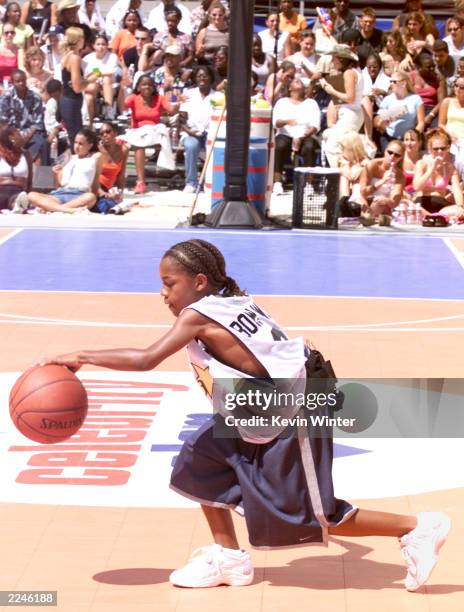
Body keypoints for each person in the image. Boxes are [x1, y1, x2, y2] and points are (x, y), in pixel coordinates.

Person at [42, 237, 451, 591]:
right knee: (197, 464)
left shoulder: (199, 315)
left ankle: (416, 527)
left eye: (169, 284)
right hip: (257, 408)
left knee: (317, 513)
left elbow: (147, 358)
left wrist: (80, 355)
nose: (163, 294)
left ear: (198, 282)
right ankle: (229, 558)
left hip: (299, 408)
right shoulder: (230, 298)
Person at [17, 126, 102, 214]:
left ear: (90, 145)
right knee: (31, 195)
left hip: (79, 195)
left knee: (91, 197)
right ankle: (68, 210)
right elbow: (58, 185)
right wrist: (55, 174)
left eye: (81, 144)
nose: (76, 146)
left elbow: (95, 179)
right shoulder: (68, 158)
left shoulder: (95, 157)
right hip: (60, 193)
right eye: (75, 142)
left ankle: (51, 209)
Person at [120, 74, 177, 194]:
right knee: (136, 145)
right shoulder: (134, 97)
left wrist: (178, 102)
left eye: (150, 84)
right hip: (138, 132)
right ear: (139, 87)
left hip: (153, 132)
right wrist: (121, 88)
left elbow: (171, 111)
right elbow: (122, 106)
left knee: (140, 141)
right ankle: (139, 182)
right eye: (144, 84)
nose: (147, 87)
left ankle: (140, 181)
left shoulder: (159, 98)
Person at [272, 77, 321, 195]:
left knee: (309, 147)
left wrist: (301, 137)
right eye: (295, 81)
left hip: (305, 135)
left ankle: (308, 184)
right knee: (279, 145)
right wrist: (287, 121)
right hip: (286, 134)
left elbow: (315, 126)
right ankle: (277, 183)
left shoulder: (311, 103)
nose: (299, 81)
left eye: (300, 81)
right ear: (290, 88)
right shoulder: (282, 102)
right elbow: (276, 123)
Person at [320, 44, 365, 168]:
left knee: (333, 145)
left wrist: (331, 90)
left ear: (341, 59)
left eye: (334, 58)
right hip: (353, 113)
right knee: (345, 145)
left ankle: (340, 175)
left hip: (350, 114)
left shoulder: (349, 73)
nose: (332, 61)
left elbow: (350, 98)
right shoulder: (355, 72)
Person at [413, 127, 464, 222]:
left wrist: (460, 207)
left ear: (448, 148)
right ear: (430, 149)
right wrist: (431, 170)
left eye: (442, 148)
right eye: (436, 149)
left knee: (460, 210)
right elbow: (417, 187)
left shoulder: (450, 168)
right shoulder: (421, 163)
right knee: (410, 206)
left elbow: (457, 190)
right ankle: (434, 217)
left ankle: (433, 217)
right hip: (421, 205)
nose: (439, 151)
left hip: (441, 207)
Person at [59, 27, 99, 146]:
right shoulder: (75, 58)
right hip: (72, 101)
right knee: (76, 137)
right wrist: (91, 79)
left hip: (68, 100)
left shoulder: (68, 55)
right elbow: (77, 87)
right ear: (78, 40)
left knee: (74, 135)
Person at [179, 65, 215, 193]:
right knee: (191, 146)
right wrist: (189, 131)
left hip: (211, 133)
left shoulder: (217, 96)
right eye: (199, 76)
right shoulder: (189, 94)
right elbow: (182, 118)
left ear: (211, 78)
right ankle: (191, 183)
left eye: (205, 75)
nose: (202, 78)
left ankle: (208, 182)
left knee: (213, 149)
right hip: (192, 132)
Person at [0, 68, 48, 163]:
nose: (21, 83)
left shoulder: (35, 97)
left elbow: (37, 124)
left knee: (42, 144)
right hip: (11, 133)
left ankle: (42, 176)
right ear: (12, 82)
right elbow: (3, 122)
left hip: (30, 133)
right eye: (18, 81)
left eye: (23, 80)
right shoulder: (6, 97)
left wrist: (24, 139)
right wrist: (15, 136)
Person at [374, 70, 425, 152]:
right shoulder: (387, 99)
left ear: (404, 83)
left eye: (394, 82)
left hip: (408, 140)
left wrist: (412, 138)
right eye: (390, 81)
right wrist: (383, 120)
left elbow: (421, 122)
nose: (391, 84)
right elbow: (377, 120)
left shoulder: (416, 99)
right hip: (389, 138)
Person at [359, 139, 405, 225]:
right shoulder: (372, 165)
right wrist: (382, 181)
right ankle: (371, 217)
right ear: (385, 151)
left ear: (400, 158)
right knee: (363, 203)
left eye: (397, 155)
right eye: (390, 152)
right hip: (364, 199)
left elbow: (394, 202)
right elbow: (363, 192)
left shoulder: (399, 175)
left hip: (383, 204)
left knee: (381, 205)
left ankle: (372, 217)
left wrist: (386, 200)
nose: (392, 156)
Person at [83, 33, 120, 122]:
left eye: (103, 44)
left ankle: (109, 109)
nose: (101, 47)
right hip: (94, 83)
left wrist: (97, 73)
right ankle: (87, 115)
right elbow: (87, 74)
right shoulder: (88, 58)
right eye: (98, 44)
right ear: (93, 46)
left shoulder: (112, 57)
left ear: (107, 46)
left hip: (110, 84)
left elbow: (111, 72)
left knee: (106, 79)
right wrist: (100, 73)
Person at [94, 121, 129, 211]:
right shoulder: (97, 149)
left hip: (107, 189)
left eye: (108, 131)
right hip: (96, 185)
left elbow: (121, 175)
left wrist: (120, 194)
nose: (105, 135)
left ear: (115, 133)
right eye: (101, 133)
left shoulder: (123, 150)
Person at [0, 125, 32, 211]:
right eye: (18, 134)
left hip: (18, 192)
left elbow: (29, 181)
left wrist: (28, 194)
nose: (22, 136)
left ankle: (18, 206)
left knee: (18, 201)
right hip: (1, 191)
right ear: (11, 138)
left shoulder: (26, 154)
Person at [195, 1, 228, 66]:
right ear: (209, 15)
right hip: (208, 67)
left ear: (224, 15)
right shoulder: (203, 32)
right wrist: (199, 52)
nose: (217, 17)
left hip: (226, 69)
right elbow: (197, 55)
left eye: (220, 15)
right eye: (214, 15)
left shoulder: (230, 32)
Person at [0, 21, 22, 88]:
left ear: (14, 34)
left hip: (15, 84)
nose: (9, 35)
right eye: (6, 33)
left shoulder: (20, 50)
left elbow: (21, 69)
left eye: (12, 32)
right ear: (2, 34)